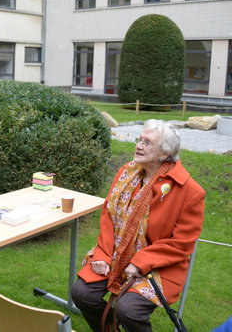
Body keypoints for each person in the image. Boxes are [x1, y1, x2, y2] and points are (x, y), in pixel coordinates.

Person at [71, 119, 205, 332]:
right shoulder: (127, 172)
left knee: (128, 310)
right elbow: (109, 216)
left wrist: (141, 262)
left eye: (147, 142)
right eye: (139, 139)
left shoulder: (189, 191)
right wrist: (103, 255)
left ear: (164, 153)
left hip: (160, 266)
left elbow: (182, 244)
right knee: (81, 293)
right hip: (116, 253)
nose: (139, 145)